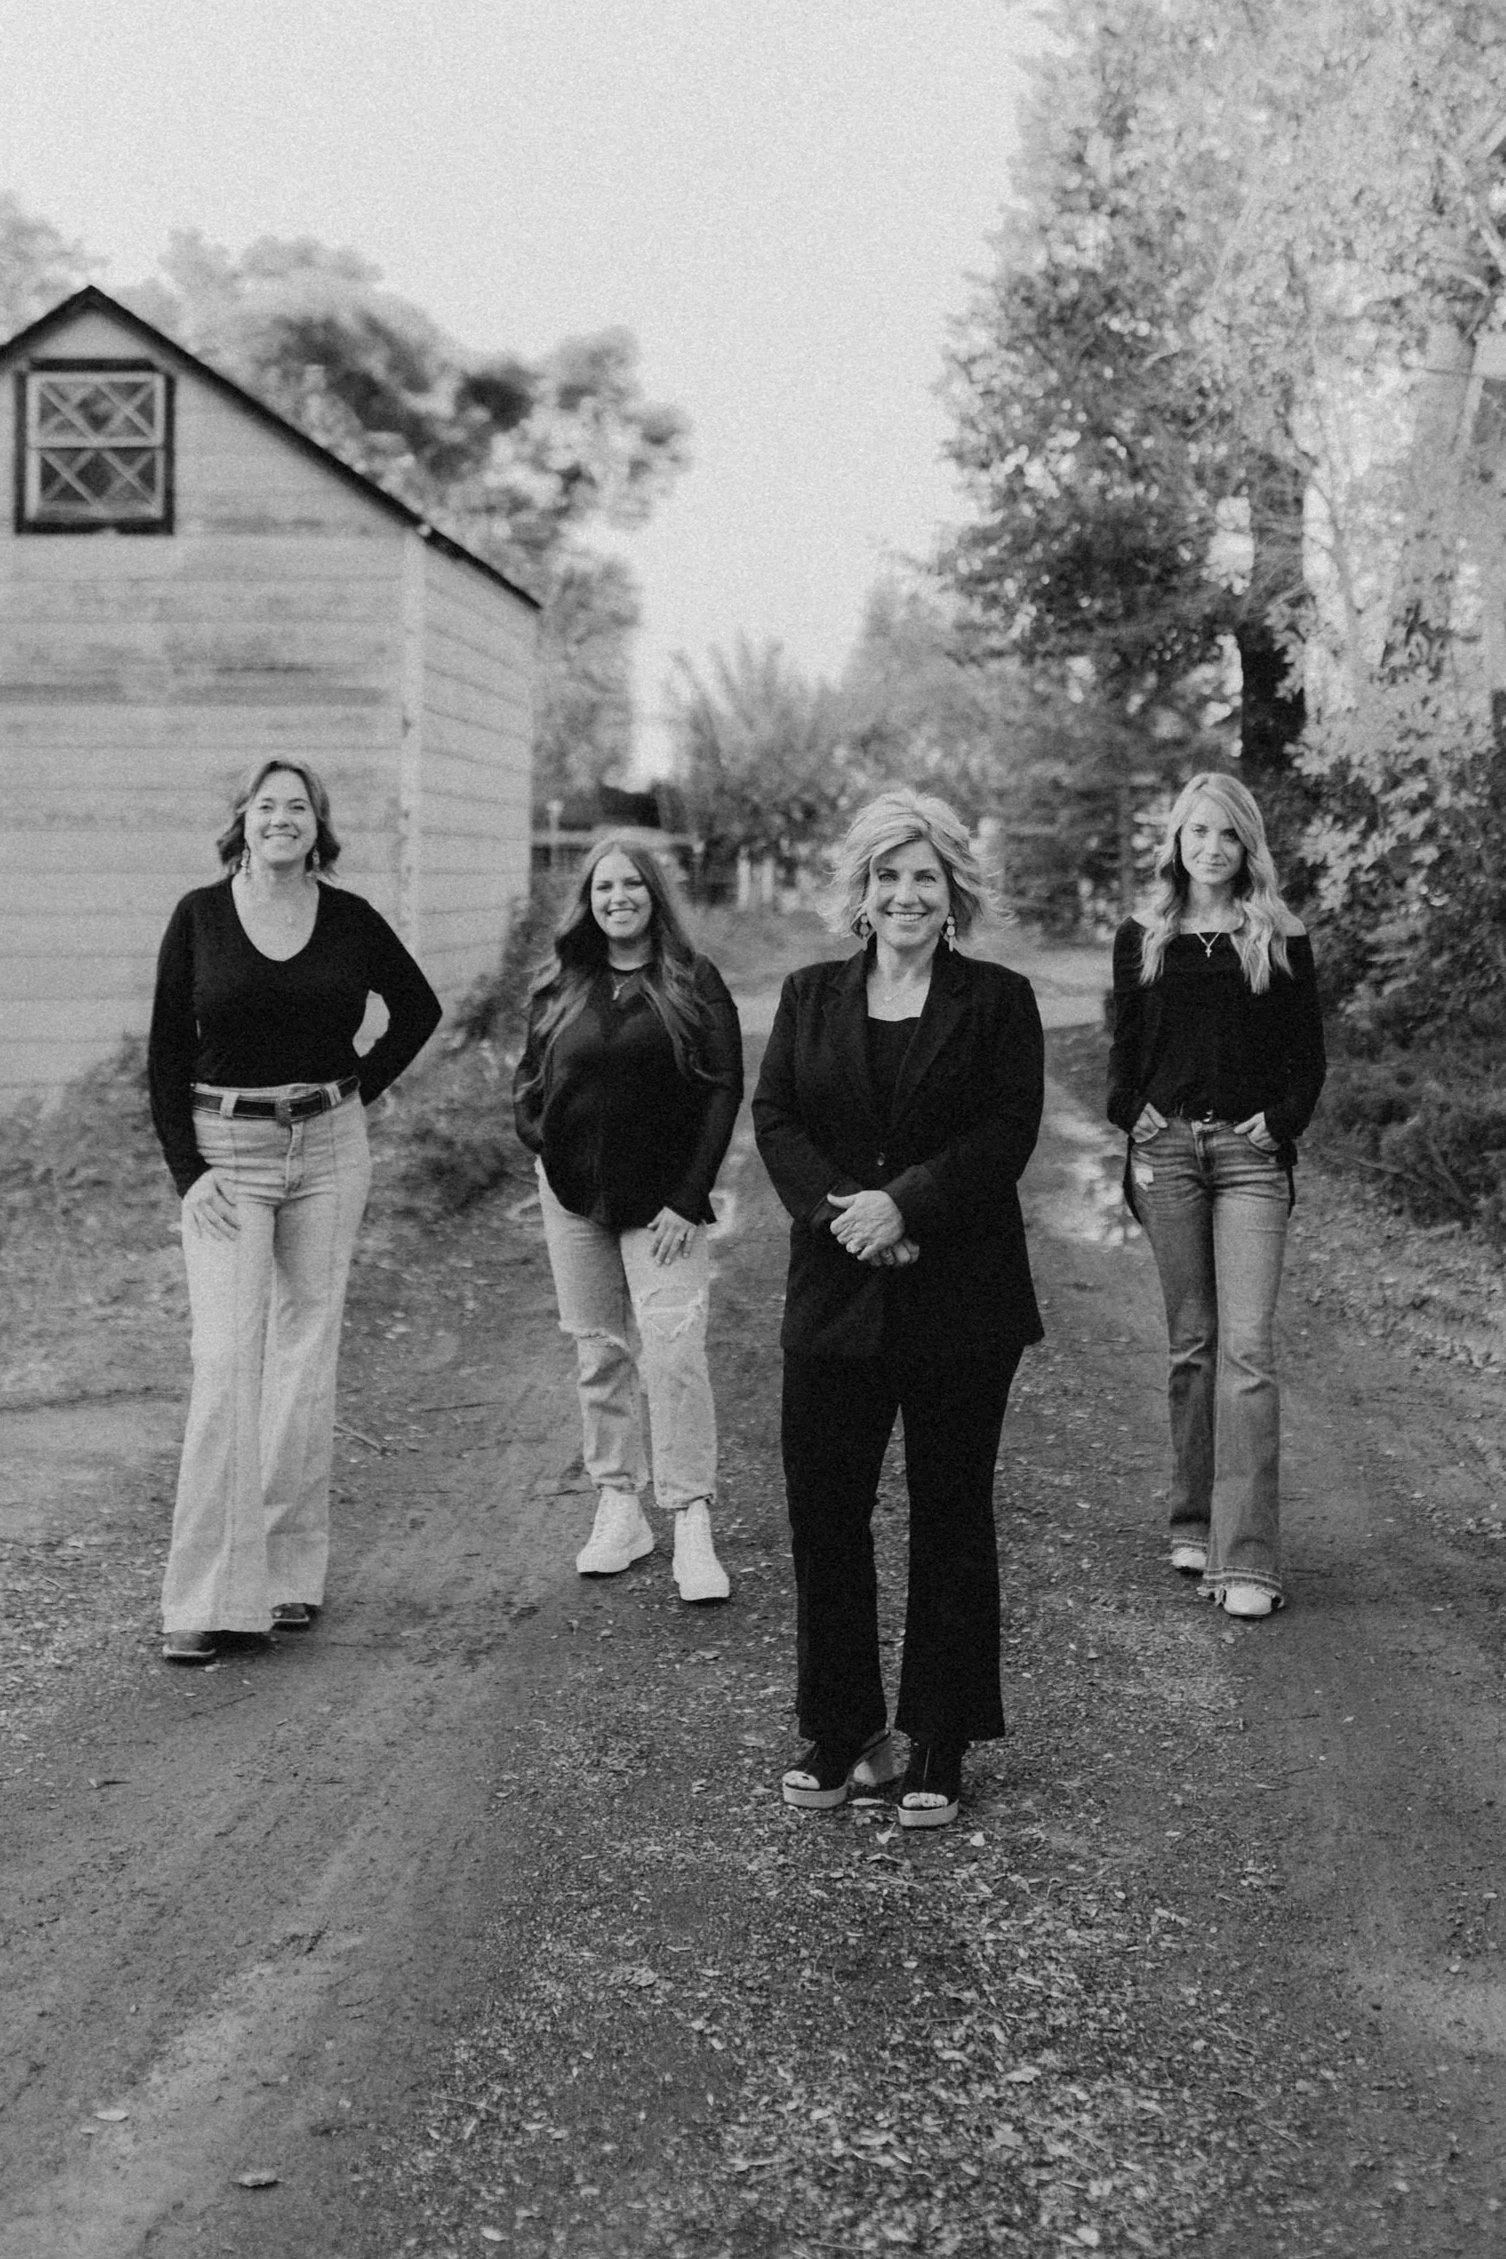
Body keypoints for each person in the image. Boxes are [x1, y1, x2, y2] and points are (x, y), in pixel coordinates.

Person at [752, 790, 1044, 1830]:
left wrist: (905, 1205)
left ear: (953, 890)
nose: (905, 894)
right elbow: (776, 1113)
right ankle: (842, 1728)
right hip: (835, 1291)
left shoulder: (999, 1001)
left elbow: (1007, 1131)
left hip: (962, 1297)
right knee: (825, 1512)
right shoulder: (808, 995)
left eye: (924, 876)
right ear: (861, 894)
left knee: (950, 1514)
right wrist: (851, 1218)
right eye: (887, 877)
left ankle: (937, 1737)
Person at [148, 760, 441, 1664]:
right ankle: (207, 1597)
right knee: (228, 1361)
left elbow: (418, 1009)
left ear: (319, 825)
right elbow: (164, 1052)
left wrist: (357, 1096)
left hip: (326, 1151)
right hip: (227, 1156)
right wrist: (188, 1170)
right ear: (243, 819)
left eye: (298, 806)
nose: (283, 818)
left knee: (306, 1356)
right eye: (267, 805)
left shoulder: (349, 917)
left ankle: (283, 1578)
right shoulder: (199, 916)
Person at [1107, 770, 1326, 1621]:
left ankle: (1248, 1560)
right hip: (1168, 1156)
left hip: (1248, 1159)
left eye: (1226, 833)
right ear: (1176, 842)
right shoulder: (1144, 936)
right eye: (1196, 832)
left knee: (1248, 1350)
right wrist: (1134, 1118)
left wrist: (1282, 1120)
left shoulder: (1280, 934)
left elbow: (1307, 1059)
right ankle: (1194, 1517)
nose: (1210, 846)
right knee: (1191, 1342)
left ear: (1246, 845)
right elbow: (1124, 1056)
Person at [513, 838, 743, 1603]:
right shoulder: (562, 983)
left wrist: (689, 1195)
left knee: (673, 1352)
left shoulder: (692, 980)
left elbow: (722, 1089)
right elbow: (529, 1084)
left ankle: (689, 1517)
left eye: (632, 884)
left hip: (665, 1205)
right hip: (573, 1199)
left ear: (653, 895)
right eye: (605, 885)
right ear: (590, 898)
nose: (619, 896)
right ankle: (620, 1507)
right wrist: (547, 1148)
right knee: (600, 1352)